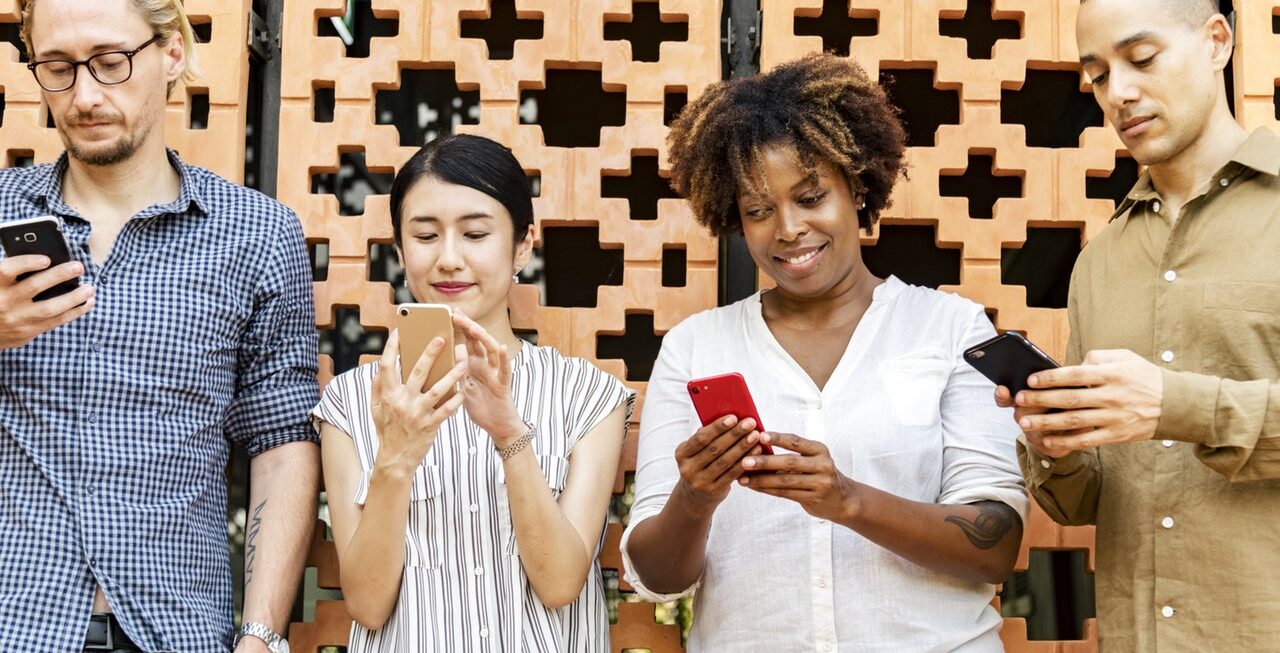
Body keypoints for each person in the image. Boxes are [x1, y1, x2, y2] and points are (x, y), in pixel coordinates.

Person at [621, 53, 1028, 651]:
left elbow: (995, 546)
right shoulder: (695, 348)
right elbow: (656, 577)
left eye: (810, 197)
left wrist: (848, 500)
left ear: (857, 188)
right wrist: (695, 498)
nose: (787, 228)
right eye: (759, 210)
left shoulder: (950, 330)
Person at [0, 0, 319, 651]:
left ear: (171, 52)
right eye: (57, 67)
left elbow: (282, 444)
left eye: (110, 62)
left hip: (173, 631)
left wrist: (260, 636)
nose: (84, 96)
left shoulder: (258, 236)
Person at [999, 0, 1280, 649]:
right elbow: (1086, 503)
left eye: (1142, 58)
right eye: (1098, 75)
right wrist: (1054, 442)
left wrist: (1177, 405)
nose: (1118, 93)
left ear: (1217, 42)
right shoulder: (1100, 261)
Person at [313, 133, 634, 652]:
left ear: (523, 245)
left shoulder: (587, 396)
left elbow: (560, 584)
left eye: (475, 234)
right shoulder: (351, 404)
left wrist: (510, 435)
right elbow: (367, 604)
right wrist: (396, 457)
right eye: (425, 235)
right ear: (400, 251)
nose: (448, 258)